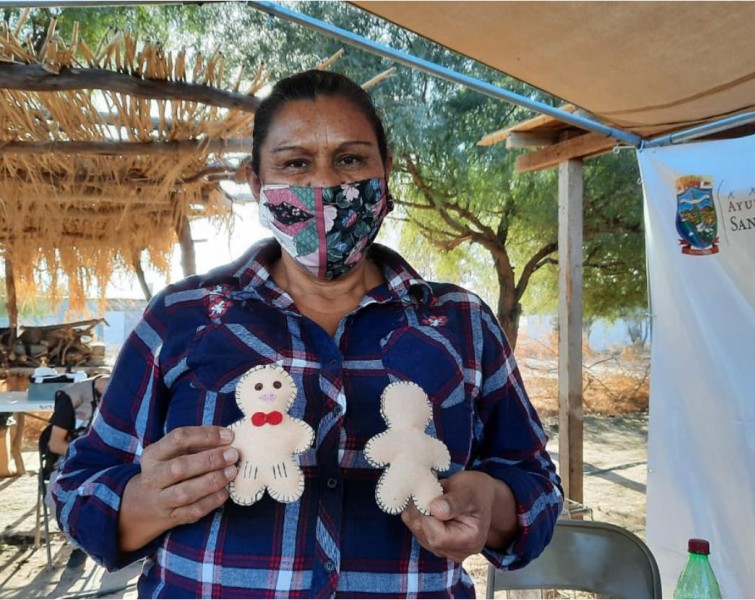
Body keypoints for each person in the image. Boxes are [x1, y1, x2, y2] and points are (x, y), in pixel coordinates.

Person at [53, 69, 563, 598]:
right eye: (295, 162)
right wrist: (141, 504)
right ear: (256, 183)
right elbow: (75, 488)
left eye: (350, 160)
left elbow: (539, 487)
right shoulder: (183, 317)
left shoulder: (461, 323)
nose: (324, 185)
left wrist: (491, 503)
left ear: (385, 174)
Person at [40, 374, 109, 569]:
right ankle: (81, 544)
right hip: (72, 459)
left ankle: (119, 544)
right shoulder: (73, 396)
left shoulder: (126, 396)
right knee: (60, 494)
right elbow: (55, 444)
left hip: (110, 461)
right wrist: (92, 455)